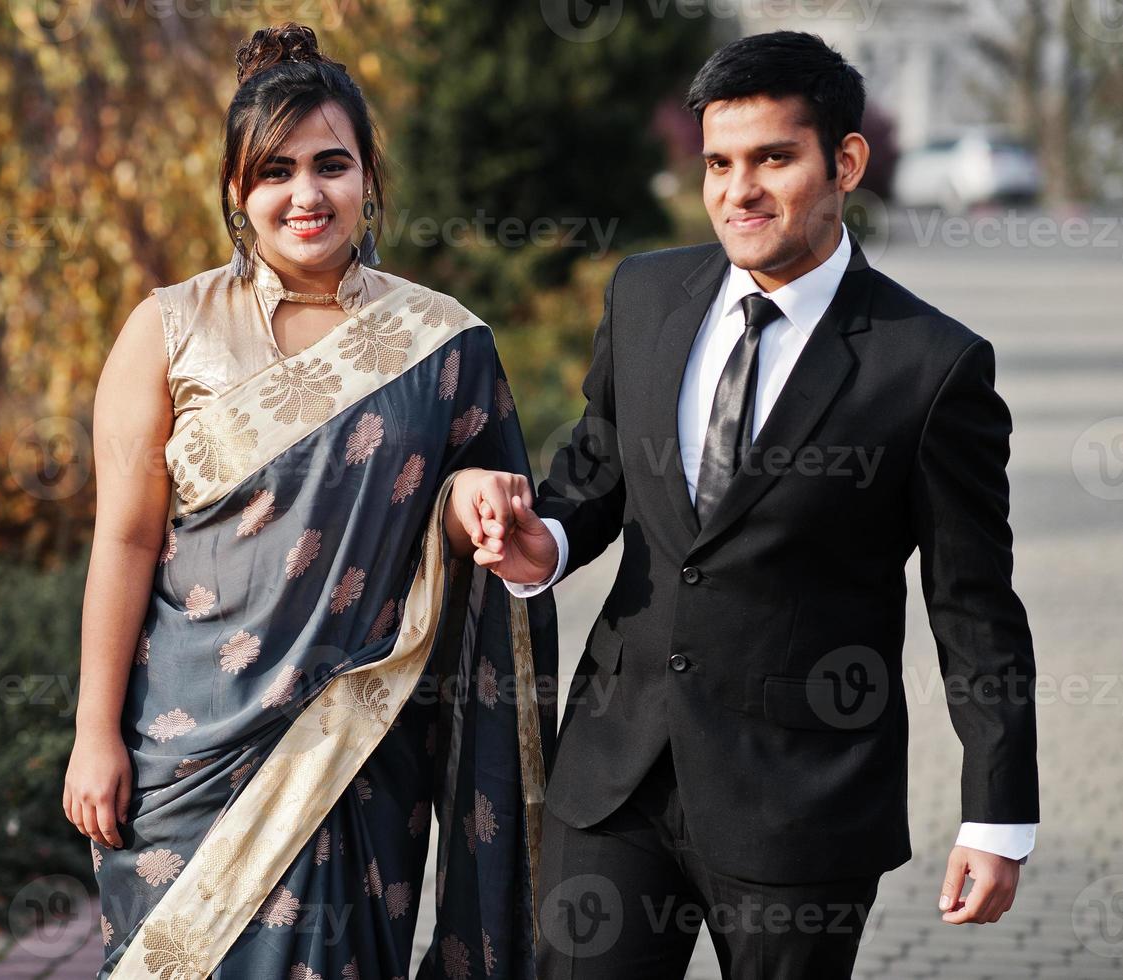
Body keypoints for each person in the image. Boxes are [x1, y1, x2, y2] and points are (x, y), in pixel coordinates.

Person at [453, 30, 1040, 979]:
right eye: (718, 163)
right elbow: (595, 470)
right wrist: (547, 541)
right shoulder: (644, 294)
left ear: (843, 161)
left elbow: (973, 608)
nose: (739, 190)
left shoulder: (929, 368)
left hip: (799, 802)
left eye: (774, 157)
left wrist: (995, 813)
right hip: (613, 774)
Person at [62, 23, 558, 980]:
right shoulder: (167, 330)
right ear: (236, 190)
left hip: (357, 741)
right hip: (183, 747)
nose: (305, 195)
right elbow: (123, 542)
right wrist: (94, 736)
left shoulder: (440, 340)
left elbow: (468, 521)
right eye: (274, 171)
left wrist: (474, 504)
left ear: (368, 176)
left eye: (330, 165)